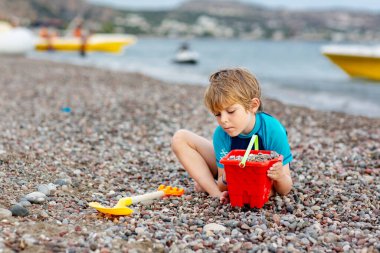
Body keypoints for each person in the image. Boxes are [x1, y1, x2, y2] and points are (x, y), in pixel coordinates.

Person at [171, 68, 293, 204]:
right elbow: (222, 183)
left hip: (261, 176)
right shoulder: (221, 134)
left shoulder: (272, 130)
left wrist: (280, 177)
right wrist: (225, 179)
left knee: (267, 189)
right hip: (234, 174)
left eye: (231, 111)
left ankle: (206, 183)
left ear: (253, 105)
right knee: (180, 138)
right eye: (217, 114)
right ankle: (216, 195)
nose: (223, 120)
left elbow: (285, 189)